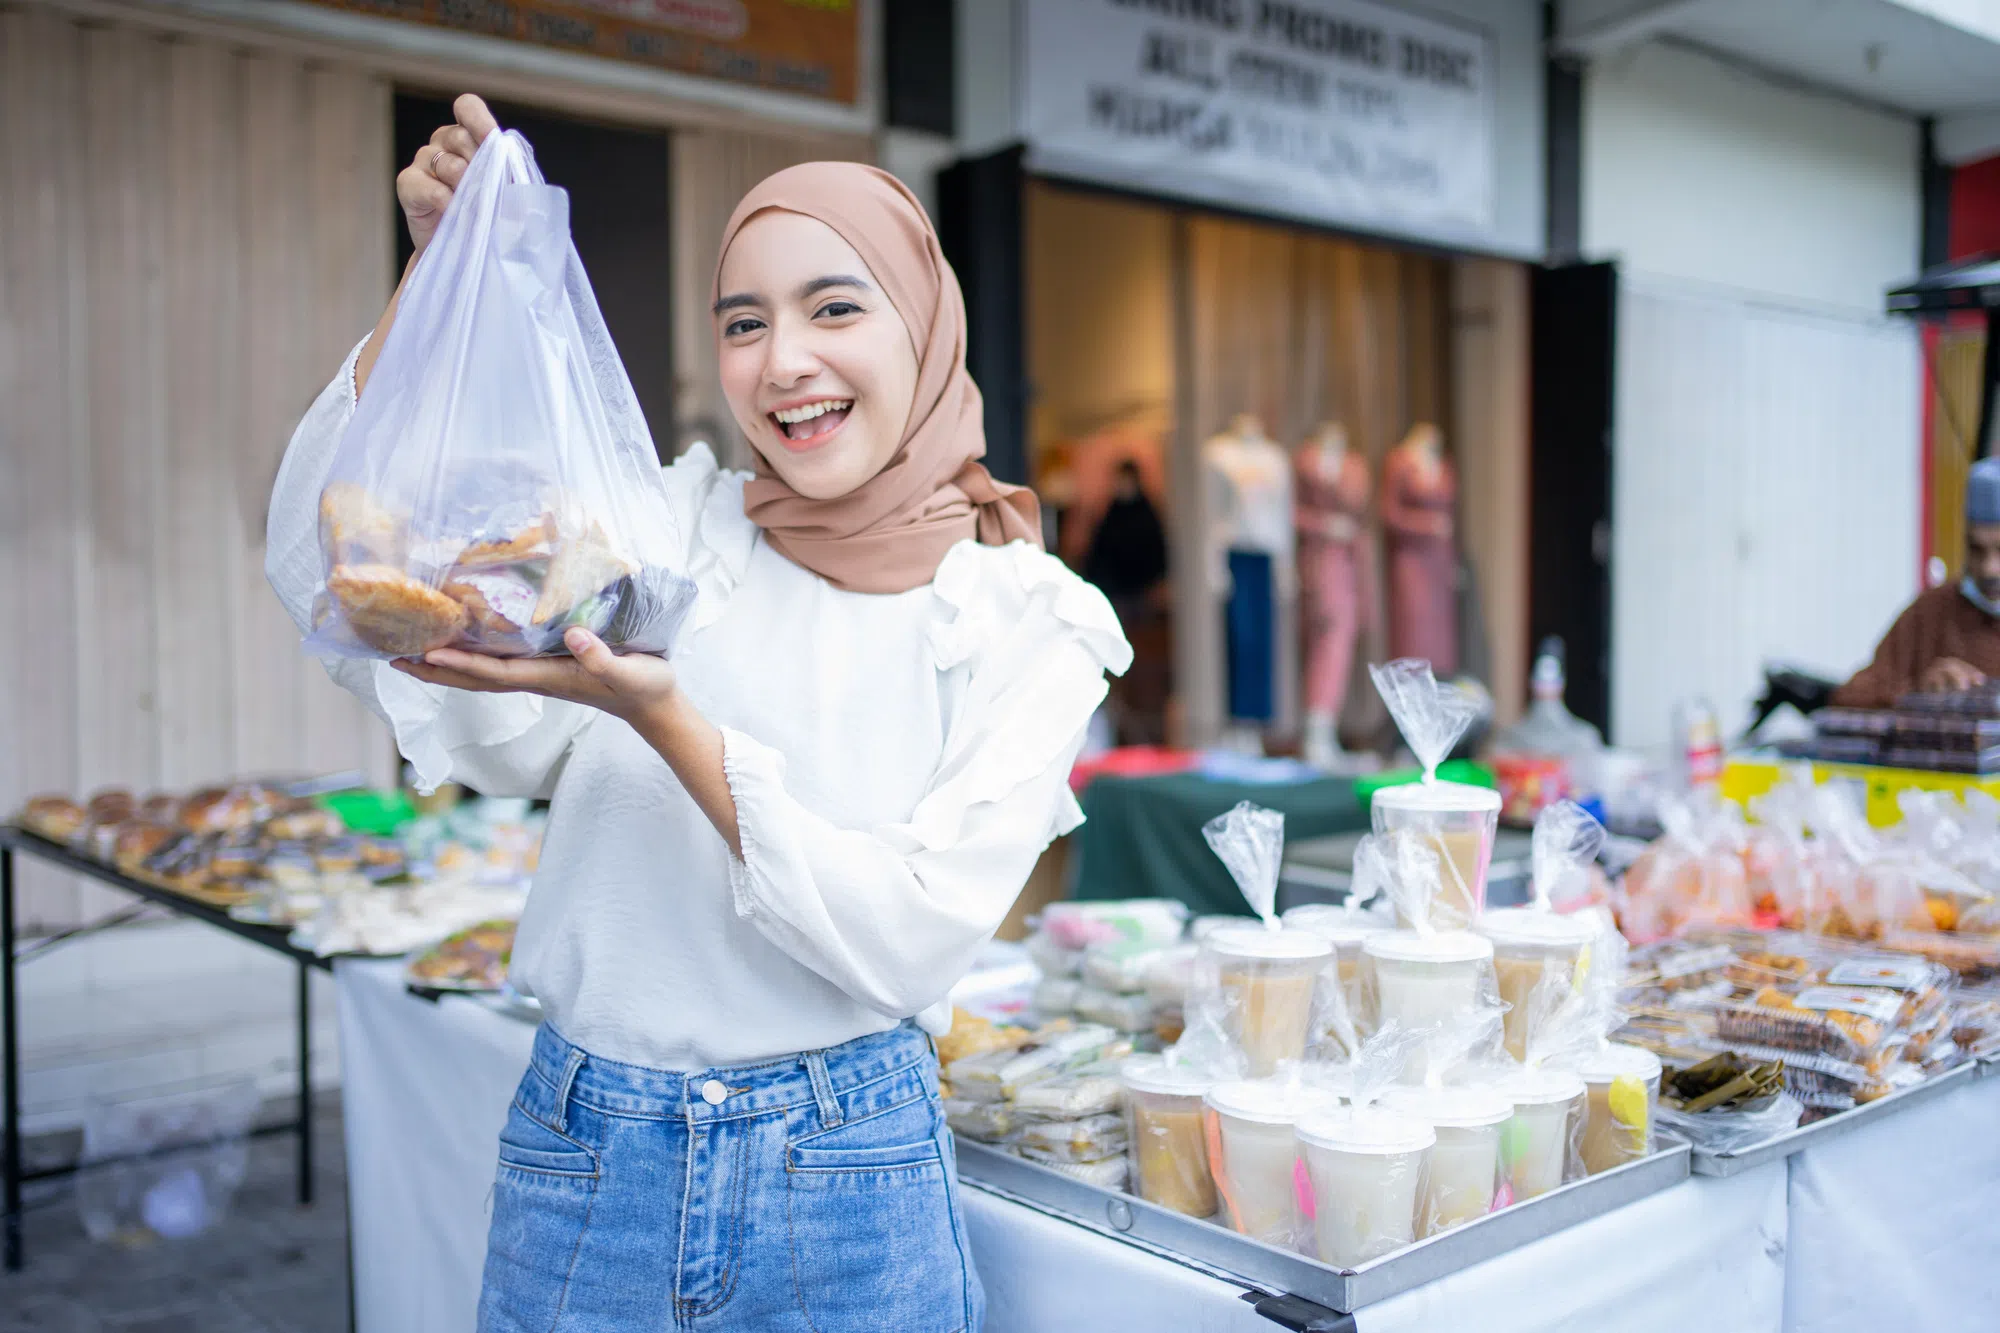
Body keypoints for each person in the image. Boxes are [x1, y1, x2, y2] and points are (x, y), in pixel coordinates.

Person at [265, 95, 1129, 1332]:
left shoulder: (1027, 616)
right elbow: (348, 569)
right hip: (587, 1154)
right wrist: (435, 279)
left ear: (925, 325)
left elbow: (906, 936)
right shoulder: (673, 527)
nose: (783, 362)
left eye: (834, 308)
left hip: (849, 1178)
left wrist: (672, 721)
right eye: (743, 322)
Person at [1834, 456, 2000, 707]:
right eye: (1976, 550)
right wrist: (1918, 694)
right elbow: (1848, 697)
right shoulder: (1934, 611)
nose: (1989, 569)